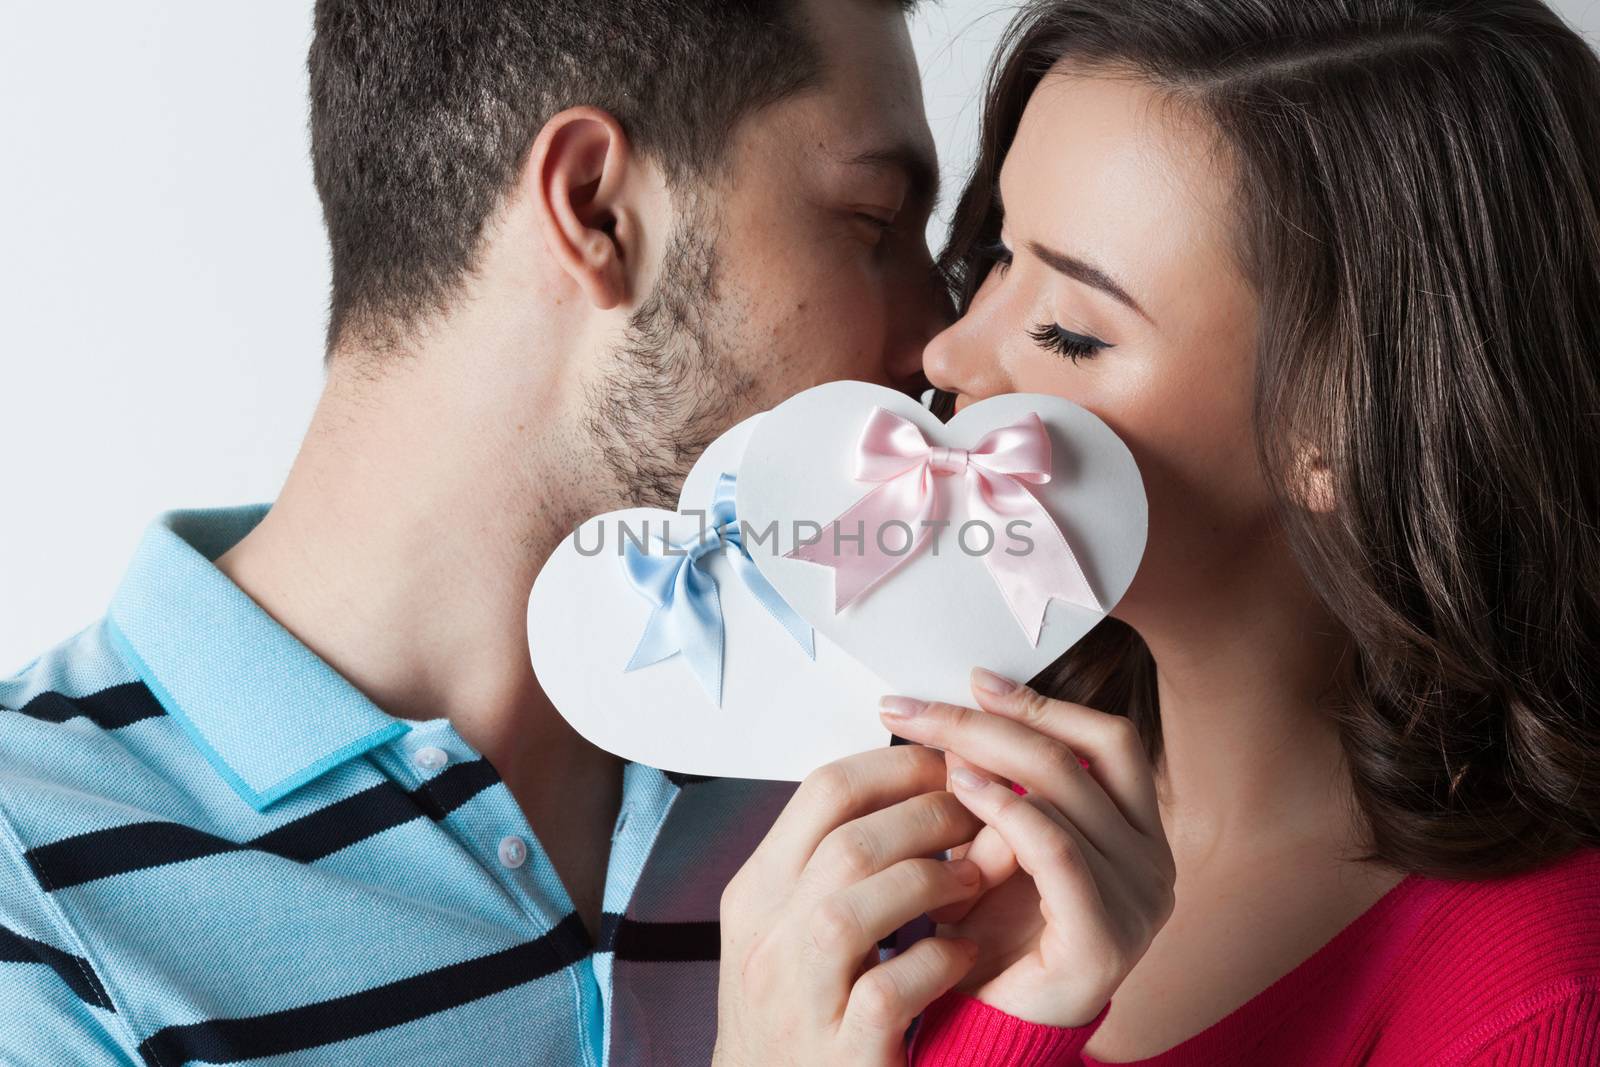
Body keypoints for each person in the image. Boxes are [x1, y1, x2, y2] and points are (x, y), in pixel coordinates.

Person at [0, 1, 1010, 1063]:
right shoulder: (30, 889)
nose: (938, 345)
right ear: (597, 210)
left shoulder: (858, 770)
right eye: (873, 222)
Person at [723, 0, 1600, 1063]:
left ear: (1342, 424)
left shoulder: (1534, 1005)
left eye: (1068, 330)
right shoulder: (900, 801)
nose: (950, 354)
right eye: (994, 252)